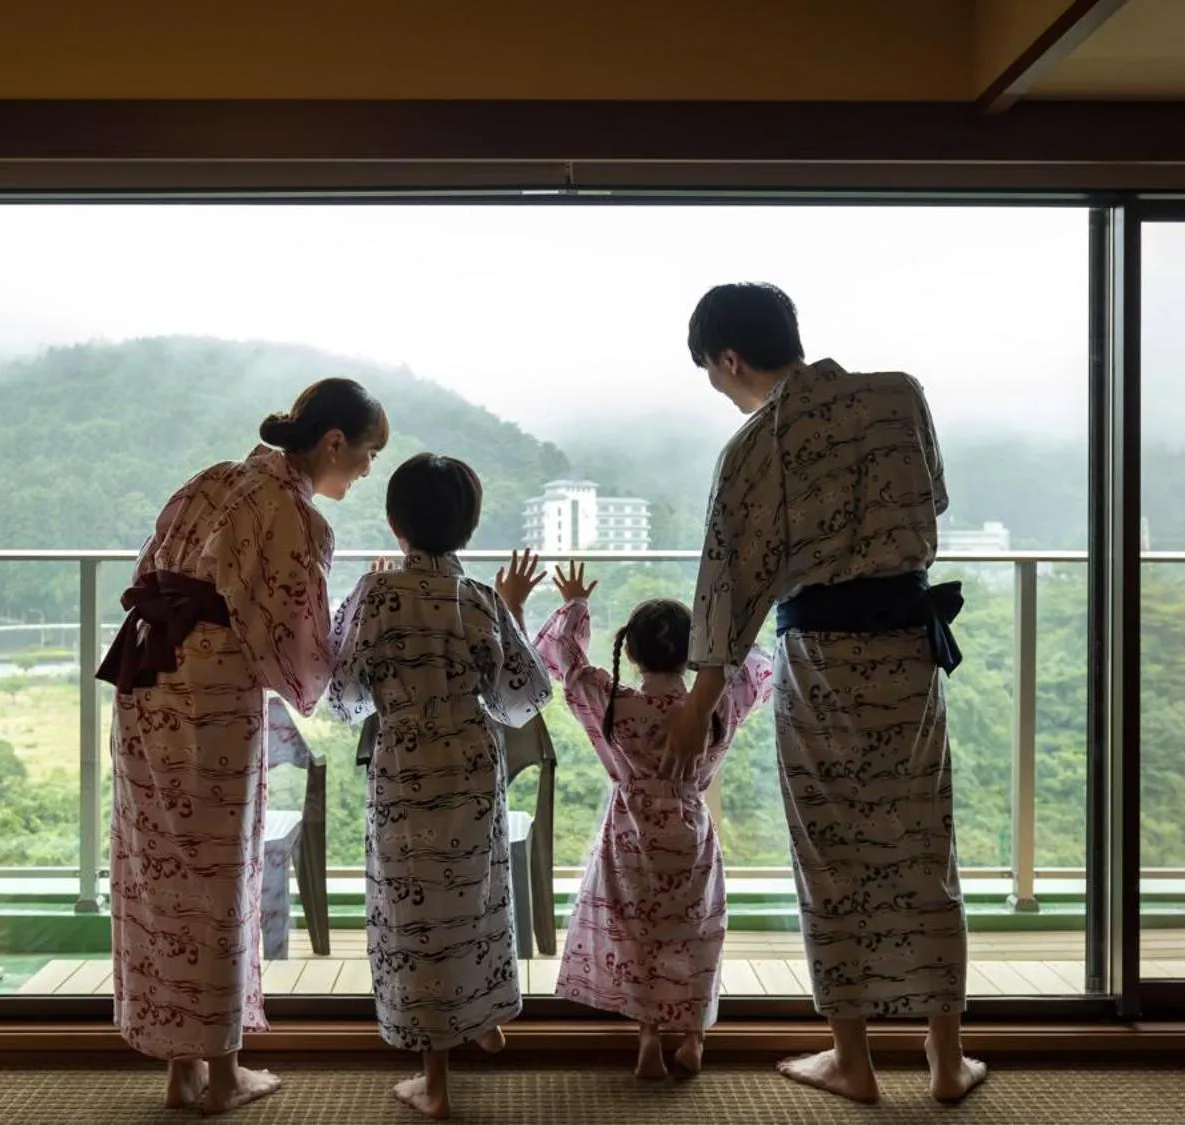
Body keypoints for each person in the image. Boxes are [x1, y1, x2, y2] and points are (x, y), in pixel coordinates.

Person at [656, 282, 986, 1106]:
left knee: (830, 853)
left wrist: (699, 701)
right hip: (908, 653)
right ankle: (946, 1059)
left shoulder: (755, 444)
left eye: (711, 372)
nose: (718, 389)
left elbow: (727, 582)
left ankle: (854, 1058)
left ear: (729, 357)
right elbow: (932, 499)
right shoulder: (898, 395)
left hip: (822, 664)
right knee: (920, 845)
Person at [95, 378, 387, 1114]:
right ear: (332, 443)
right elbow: (298, 640)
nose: (365, 470)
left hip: (146, 681)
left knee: (160, 874)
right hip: (209, 699)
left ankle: (179, 1067)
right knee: (219, 880)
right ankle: (222, 1074)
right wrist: (351, 635)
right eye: (366, 454)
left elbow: (149, 570)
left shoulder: (213, 480)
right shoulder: (290, 513)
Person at [325, 453, 553, 1120]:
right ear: (468, 528)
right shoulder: (480, 597)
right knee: (475, 902)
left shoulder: (376, 595)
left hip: (404, 768)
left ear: (393, 522)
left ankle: (435, 1081)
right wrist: (508, 614)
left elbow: (341, 699)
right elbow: (524, 697)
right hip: (473, 766)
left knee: (416, 914)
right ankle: (480, 1016)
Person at [533, 561, 773, 1080]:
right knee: (694, 933)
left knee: (638, 934)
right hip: (690, 833)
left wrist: (576, 606)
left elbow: (566, 663)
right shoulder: (713, 709)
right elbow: (756, 672)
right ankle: (692, 1040)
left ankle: (646, 1041)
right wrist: (725, 627)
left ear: (632, 652)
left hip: (630, 836)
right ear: (692, 657)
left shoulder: (616, 703)